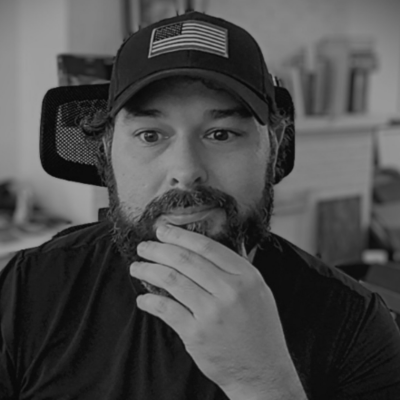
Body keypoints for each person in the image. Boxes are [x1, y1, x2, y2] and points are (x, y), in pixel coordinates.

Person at [1, 10, 400, 400]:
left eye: (221, 134)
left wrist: (261, 381)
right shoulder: (26, 289)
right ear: (106, 152)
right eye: (150, 135)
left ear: (274, 148)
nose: (186, 171)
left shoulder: (356, 325)